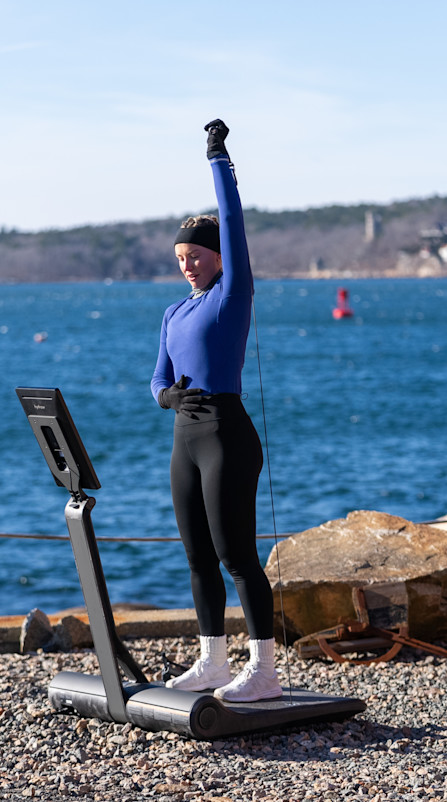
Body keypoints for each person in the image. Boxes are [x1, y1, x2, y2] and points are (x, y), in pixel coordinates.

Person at [151, 119, 282, 703]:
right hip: (186, 434)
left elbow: (232, 222)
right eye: (180, 258)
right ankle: (210, 661)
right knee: (198, 556)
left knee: (236, 556)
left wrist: (217, 160)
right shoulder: (175, 312)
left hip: (226, 433)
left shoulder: (232, 295)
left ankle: (264, 671)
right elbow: (157, 378)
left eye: (196, 255)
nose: (187, 265)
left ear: (218, 257)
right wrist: (167, 397)